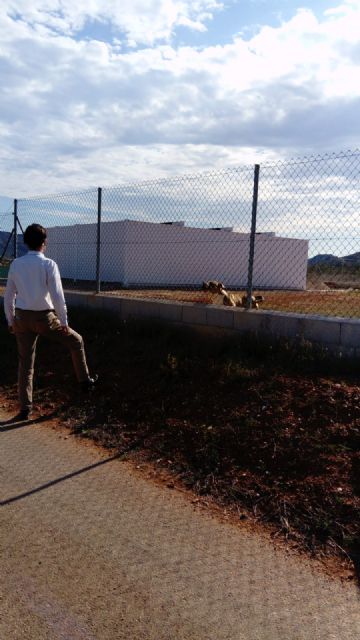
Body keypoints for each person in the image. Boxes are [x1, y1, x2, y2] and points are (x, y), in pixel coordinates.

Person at [4, 223, 97, 421]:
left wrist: (11, 321)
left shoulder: (15, 264)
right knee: (76, 341)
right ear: (44, 242)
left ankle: (24, 409)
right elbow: (57, 296)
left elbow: (9, 295)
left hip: (21, 318)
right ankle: (85, 382)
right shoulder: (49, 264)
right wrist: (64, 321)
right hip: (44, 318)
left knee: (25, 364)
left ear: (25, 242)